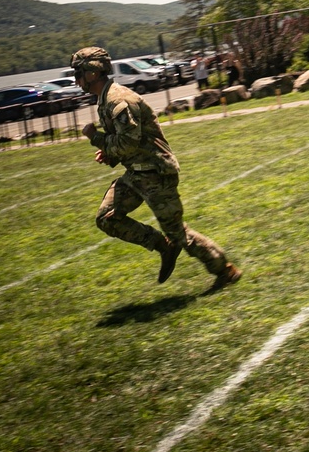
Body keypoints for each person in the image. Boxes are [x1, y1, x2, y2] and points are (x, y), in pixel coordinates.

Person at [71, 46, 242, 291]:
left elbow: (128, 141)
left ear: (92, 73)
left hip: (155, 174)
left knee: (179, 234)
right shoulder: (105, 98)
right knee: (106, 219)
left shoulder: (117, 100)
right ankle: (162, 245)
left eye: (78, 73)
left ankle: (225, 270)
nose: (76, 80)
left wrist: (96, 138)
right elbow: (127, 141)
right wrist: (109, 154)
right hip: (136, 174)